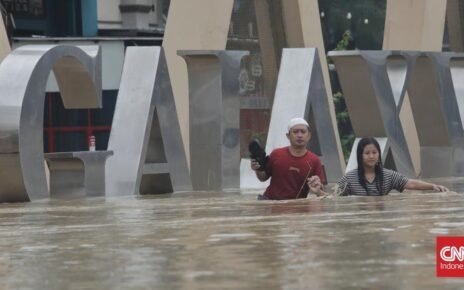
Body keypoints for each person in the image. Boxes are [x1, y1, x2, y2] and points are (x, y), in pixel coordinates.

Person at [308, 137, 449, 196]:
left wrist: (432, 186)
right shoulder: (350, 178)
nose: (371, 156)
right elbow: (333, 198)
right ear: (360, 155)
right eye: (367, 153)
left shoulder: (387, 175)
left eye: (374, 152)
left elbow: (410, 183)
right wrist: (318, 193)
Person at [251, 117, 325, 200]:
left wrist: (317, 190)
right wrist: (258, 169)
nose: (299, 135)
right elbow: (263, 178)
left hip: (296, 206)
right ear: (288, 136)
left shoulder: (314, 160)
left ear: (309, 135)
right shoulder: (276, 154)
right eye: (295, 132)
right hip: (269, 201)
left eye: (303, 132)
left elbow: (321, 191)